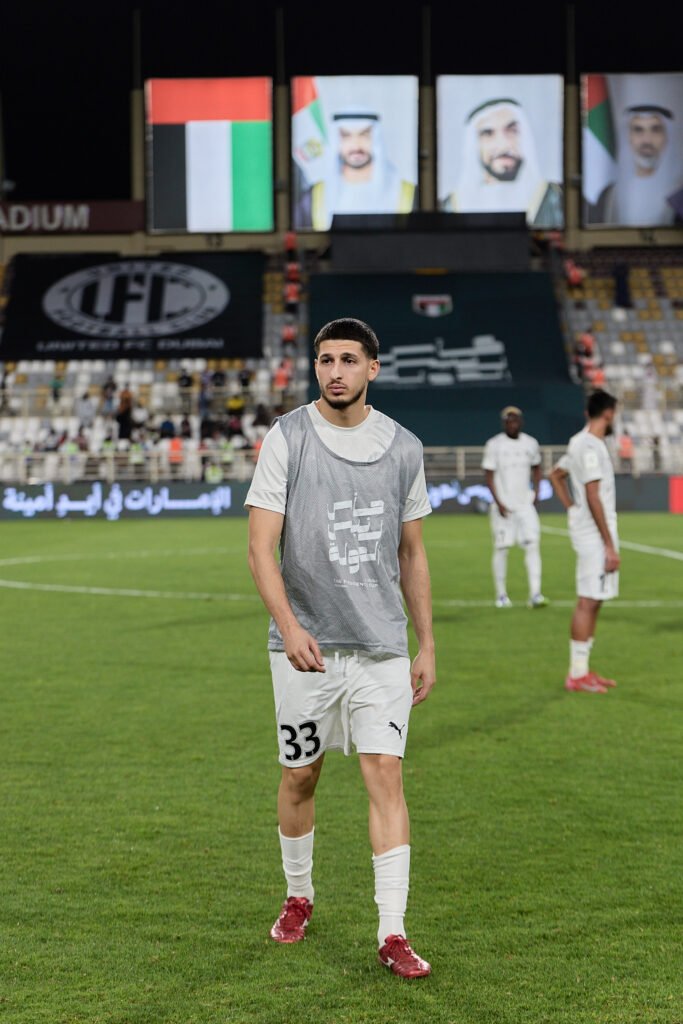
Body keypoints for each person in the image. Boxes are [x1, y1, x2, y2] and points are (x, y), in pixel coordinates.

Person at [245, 317, 435, 978]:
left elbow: (412, 554)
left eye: (348, 360)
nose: (335, 372)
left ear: (372, 368)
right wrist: (290, 625)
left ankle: (392, 931)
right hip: (305, 650)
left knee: (385, 775)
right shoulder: (287, 436)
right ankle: (298, 895)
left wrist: (426, 643)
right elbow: (260, 547)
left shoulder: (404, 447)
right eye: (325, 360)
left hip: (381, 647)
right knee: (301, 775)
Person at [548, 390, 620, 694]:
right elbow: (592, 494)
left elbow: (556, 474)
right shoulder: (589, 445)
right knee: (588, 600)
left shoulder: (580, 442)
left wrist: (571, 508)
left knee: (595, 598)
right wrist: (608, 544)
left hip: (590, 529)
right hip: (594, 534)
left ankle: (583, 669)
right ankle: (576, 675)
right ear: (609, 413)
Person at [440, 97, 562, 228]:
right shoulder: (450, 206)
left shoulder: (555, 197)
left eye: (512, 131)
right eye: (488, 133)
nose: (503, 146)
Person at [295, 112, 415, 230]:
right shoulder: (312, 198)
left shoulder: (407, 194)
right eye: (346, 136)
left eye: (364, 135)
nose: (356, 146)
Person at [482, 406, 548, 609]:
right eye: (509, 420)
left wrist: (536, 491)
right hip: (503, 506)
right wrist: (498, 502)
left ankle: (535, 594)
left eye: (516, 420)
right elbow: (489, 475)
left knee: (532, 545)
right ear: (504, 423)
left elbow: (537, 468)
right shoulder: (494, 444)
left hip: (525, 505)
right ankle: (501, 595)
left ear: (521, 422)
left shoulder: (531, 443)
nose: (513, 424)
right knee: (502, 548)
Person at [588, 104, 683, 226]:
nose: (647, 140)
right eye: (638, 130)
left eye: (656, 130)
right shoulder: (609, 196)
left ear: (667, 137)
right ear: (628, 137)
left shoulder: (679, 195)